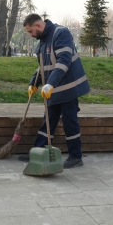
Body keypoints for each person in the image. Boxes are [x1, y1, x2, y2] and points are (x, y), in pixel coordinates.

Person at [18, 13, 90, 169]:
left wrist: (50, 84)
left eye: (30, 31)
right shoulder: (42, 42)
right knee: (48, 121)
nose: (30, 35)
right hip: (53, 88)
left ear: (38, 26)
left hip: (68, 87)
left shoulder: (60, 33)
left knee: (70, 121)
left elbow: (64, 60)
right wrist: (34, 83)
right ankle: (38, 152)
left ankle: (76, 156)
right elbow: (43, 67)